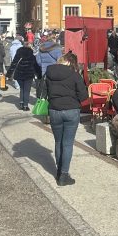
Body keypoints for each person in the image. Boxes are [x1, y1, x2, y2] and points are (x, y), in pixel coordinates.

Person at [45, 51, 88, 186]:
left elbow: (43, 91)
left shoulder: (49, 73)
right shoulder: (74, 75)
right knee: (67, 143)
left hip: (54, 110)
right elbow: (84, 96)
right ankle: (64, 175)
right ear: (69, 62)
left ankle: (58, 171)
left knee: (58, 142)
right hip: (71, 111)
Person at [7, 39, 41, 111]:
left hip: (19, 74)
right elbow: (36, 67)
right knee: (27, 90)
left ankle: (21, 102)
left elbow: (14, 64)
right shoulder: (32, 56)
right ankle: (25, 105)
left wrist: (8, 74)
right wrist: (39, 75)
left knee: (22, 89)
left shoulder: (18, 54)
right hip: (28, 74)